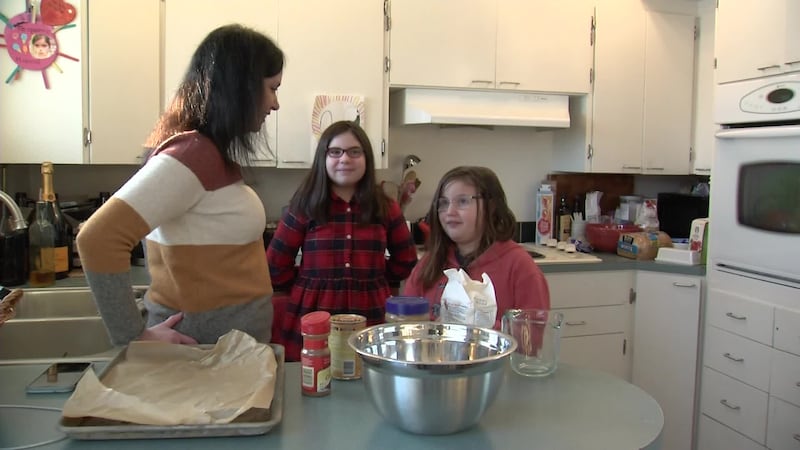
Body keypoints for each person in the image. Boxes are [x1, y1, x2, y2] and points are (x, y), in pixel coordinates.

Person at [76, 24, 284, 346]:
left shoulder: (206, 154)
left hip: (220, 355)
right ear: (241, 87)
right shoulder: (194, 154)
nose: (275, 104)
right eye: (272, 88)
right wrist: (134, 337)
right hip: (200, 357)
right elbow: (97, 239)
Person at [267, 120, 418, 361]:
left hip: (370, 314)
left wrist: (375, 278)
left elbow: (406, 260)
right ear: (323, 158)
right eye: (335, 152)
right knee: (313, 373)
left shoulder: (386, 207)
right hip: (314, 315)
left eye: (354, 152)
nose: (345, 159)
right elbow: (275, 265)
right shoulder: (304, 205)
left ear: (367, 158)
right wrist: (308, 282)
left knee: (367, 374)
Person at [402, 166, 550, 328]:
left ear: (491, 207)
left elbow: (532, 335)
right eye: (443, 203)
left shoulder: (520, 267)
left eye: (463, 201)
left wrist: (477, 328)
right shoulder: (429, 264)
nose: (449, 211)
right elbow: (407, 322)